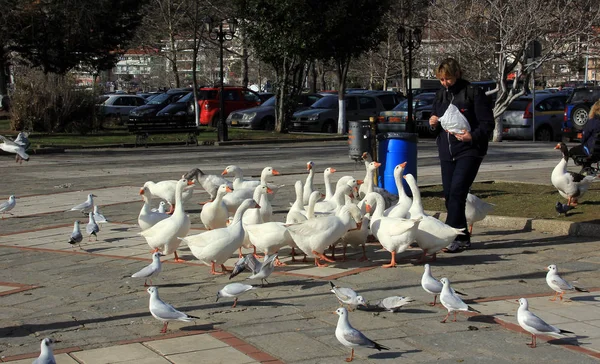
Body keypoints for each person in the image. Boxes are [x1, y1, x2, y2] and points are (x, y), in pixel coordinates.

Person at [428, 58, 494, 253]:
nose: (444, 83)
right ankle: (463, 237)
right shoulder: (440, 95)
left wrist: (471, 136)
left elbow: (487, 123)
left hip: (469, 151)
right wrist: (432, 123)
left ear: (457, 74)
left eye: (447, 78)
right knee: (449, 195)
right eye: (441, 79)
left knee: (457, 191)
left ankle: (449, 235)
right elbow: (436, 124)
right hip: (447, 151)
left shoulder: (473, 93)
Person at [568, 99, 600, 172]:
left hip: (592, 151)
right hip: (597, 151)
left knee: (572, 151)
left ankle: (586, 167)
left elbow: (584, 137)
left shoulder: (593, 122)